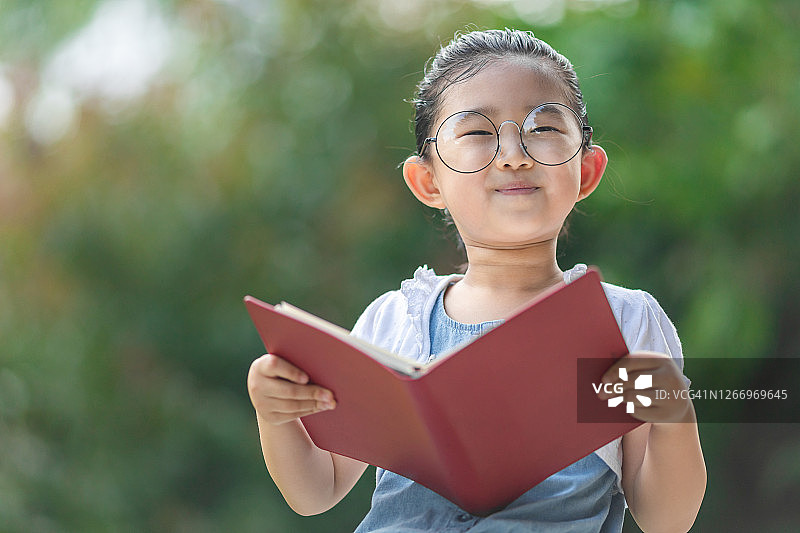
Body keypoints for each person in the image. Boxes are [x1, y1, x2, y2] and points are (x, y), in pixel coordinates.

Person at [247, 28, 706, 532]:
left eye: (543, 127)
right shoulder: (394, 320)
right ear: (428, 181)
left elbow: (667, 521)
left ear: (587, 170)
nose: (513, 153)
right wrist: (276, 415)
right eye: (477, 133)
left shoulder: (623, 322)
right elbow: (316, 491)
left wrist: (673, 414)